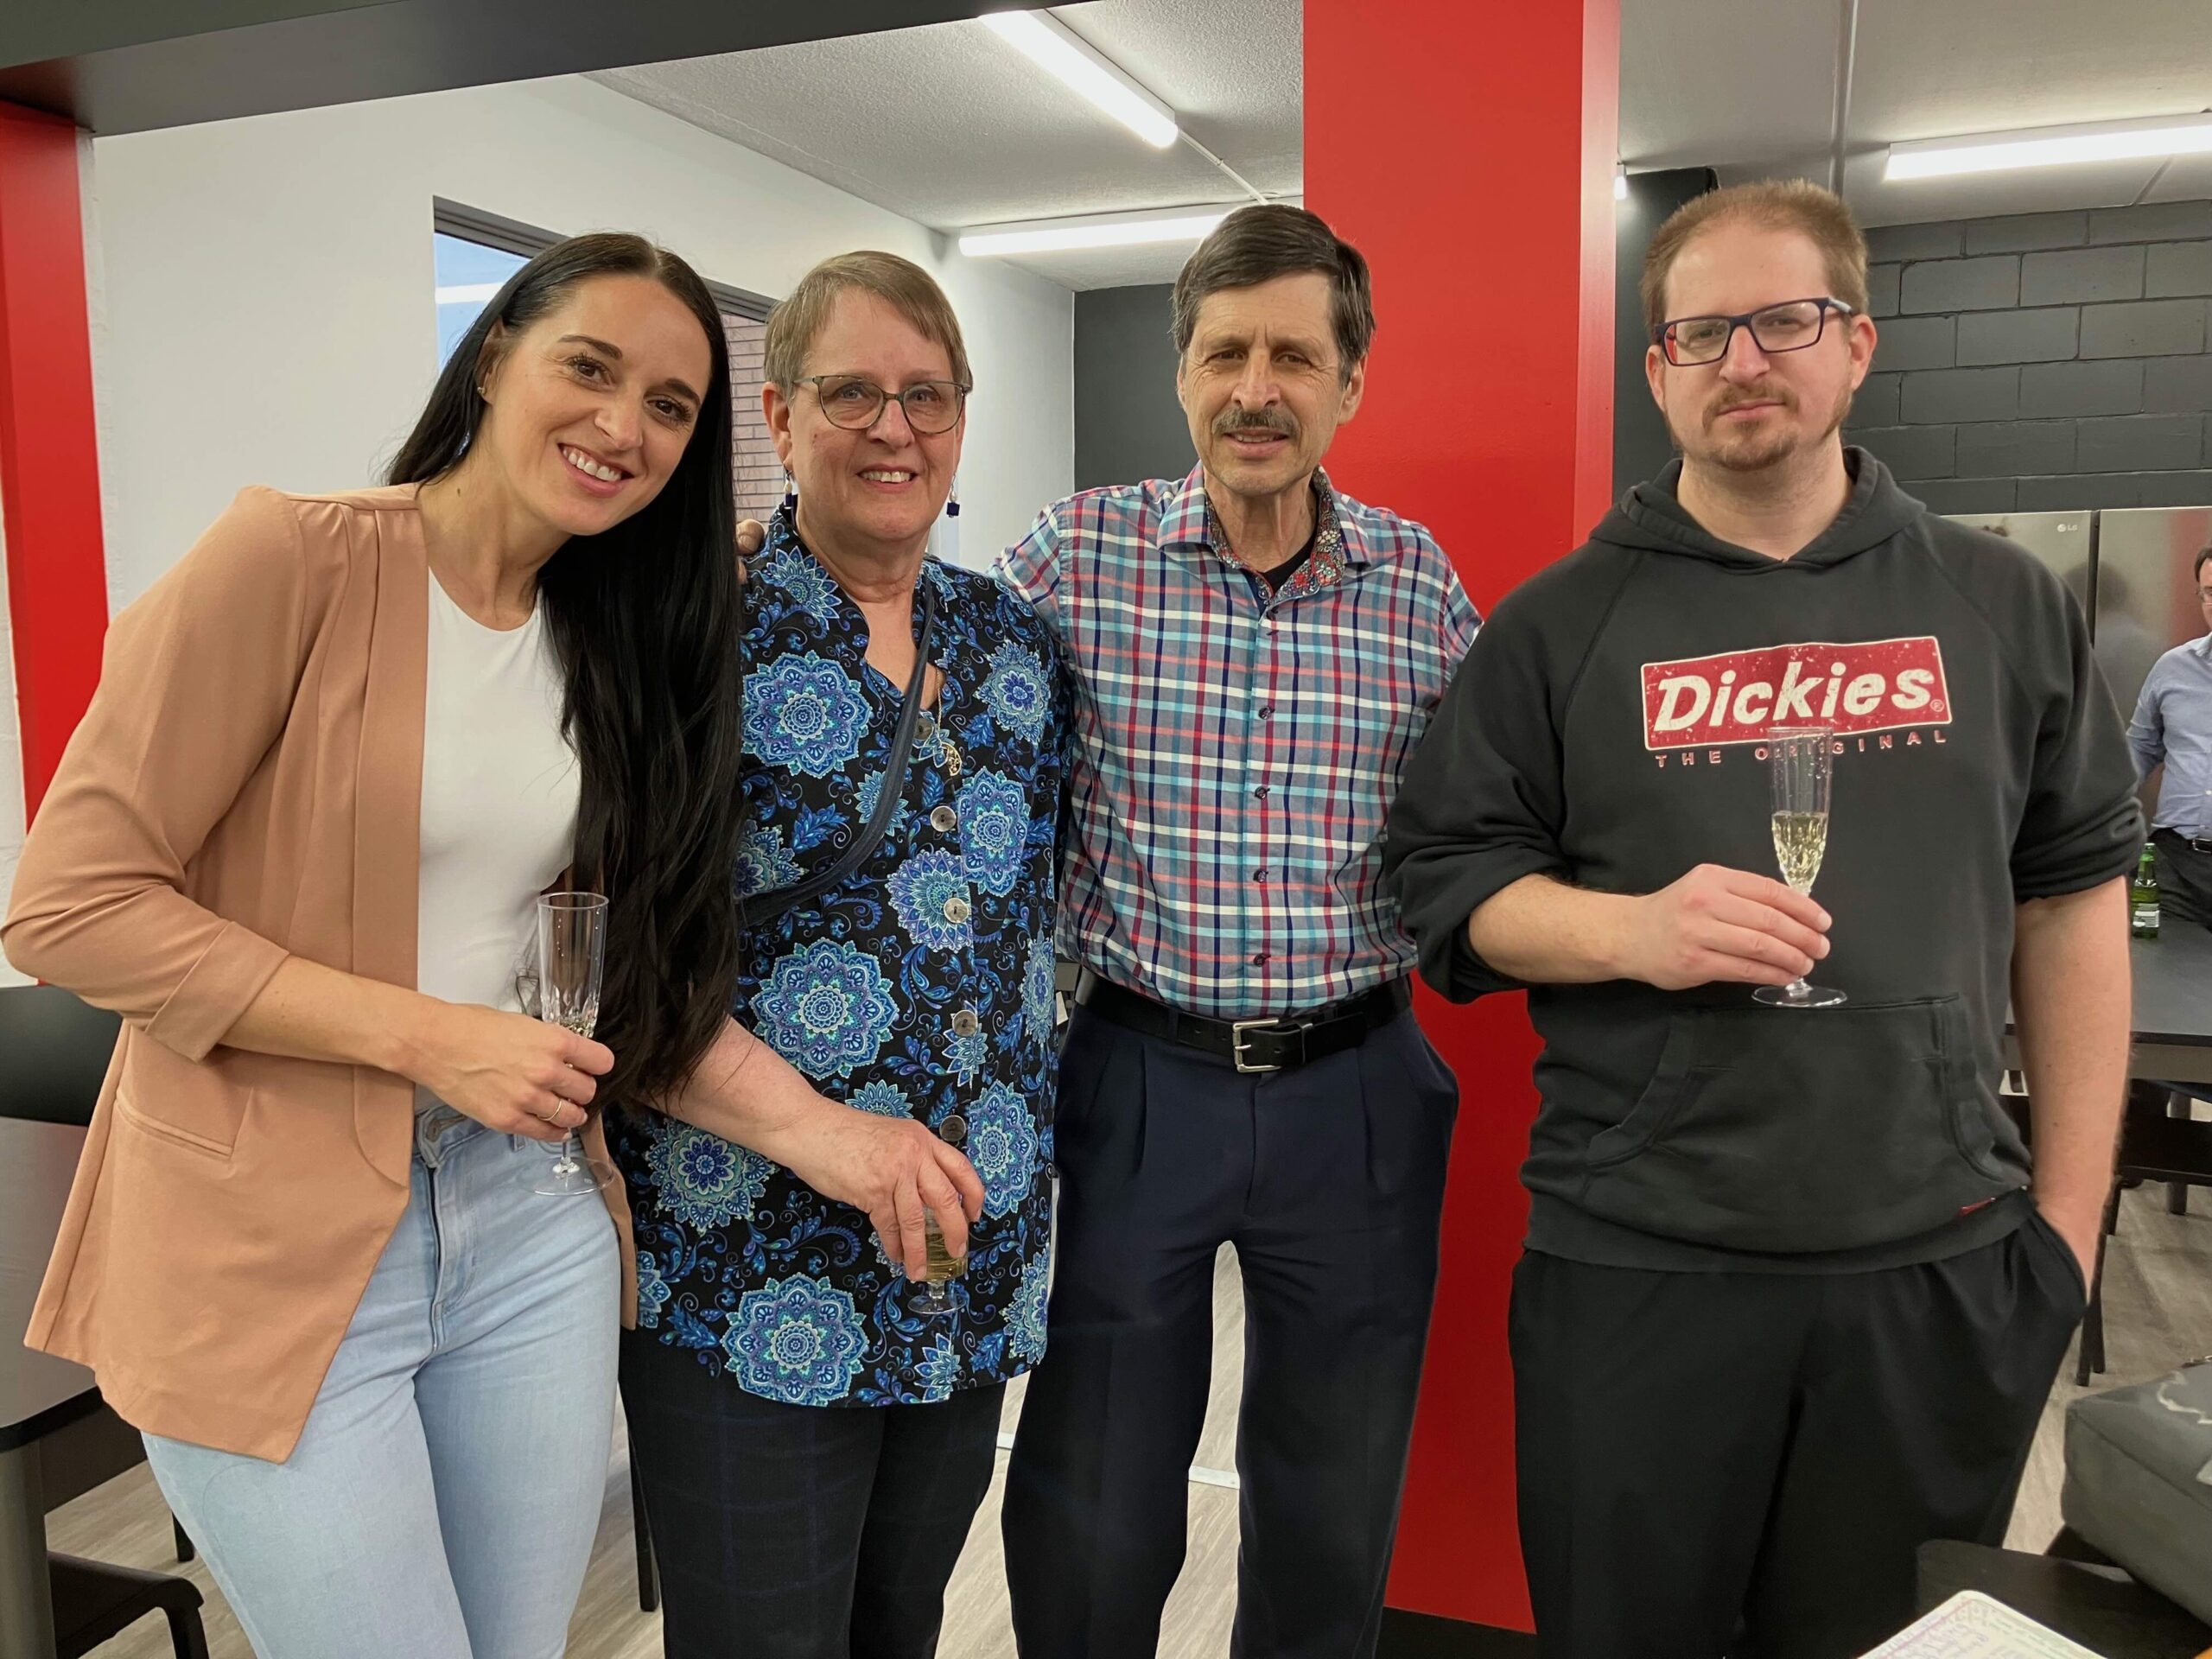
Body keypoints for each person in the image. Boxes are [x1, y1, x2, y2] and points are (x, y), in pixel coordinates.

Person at [1384, 179, 2140, 1659]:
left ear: (1856, 343)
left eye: (1784, 320)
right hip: (1639, 1268)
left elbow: (2073, 904)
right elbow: (1448, 891)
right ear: (1658, 369)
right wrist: (1630, 934)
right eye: (1702, 332)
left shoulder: (2001, 603)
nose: (1743, 360)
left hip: (1937, 1269)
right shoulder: (1556, 626)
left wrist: (2065, 1236)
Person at [2, 232, 748, 1657]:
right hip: (263, 1232)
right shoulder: (294, 556)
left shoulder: (608, 629)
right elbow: (69, 903)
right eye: (589, 368)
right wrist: (428, 1036)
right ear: (494, 357)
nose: (624, 426)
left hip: (525, 1211)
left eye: (670, 406)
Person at [994, 204, 1478, 1659]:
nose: (1255, 390)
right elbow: (925, 677)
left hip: (1358, 1085)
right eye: (1225, 354)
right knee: (1097, 1480)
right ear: (1183, 370)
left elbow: (1495, 810)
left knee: (1336, 1484)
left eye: (1294, 357)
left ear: (1351, 382)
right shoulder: (1074, 557)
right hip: (1143, 1075)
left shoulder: (1418, 585)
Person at [609, 250, 1066, 1659]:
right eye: (852, 393)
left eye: (927, 396)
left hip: (965, 1258)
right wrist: (823, 1134)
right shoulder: (688, 638)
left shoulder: (1014, 645)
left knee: (900, 1628)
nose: (893, 429)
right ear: (780, 414)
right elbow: (612, 971)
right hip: (747, 1274)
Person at [2126, 543, 2212, 926]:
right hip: (2176, 867)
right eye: (2210, 592)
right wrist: (2094, 811)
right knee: (2163, 963)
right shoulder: (2173, 667)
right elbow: (2140, 747)